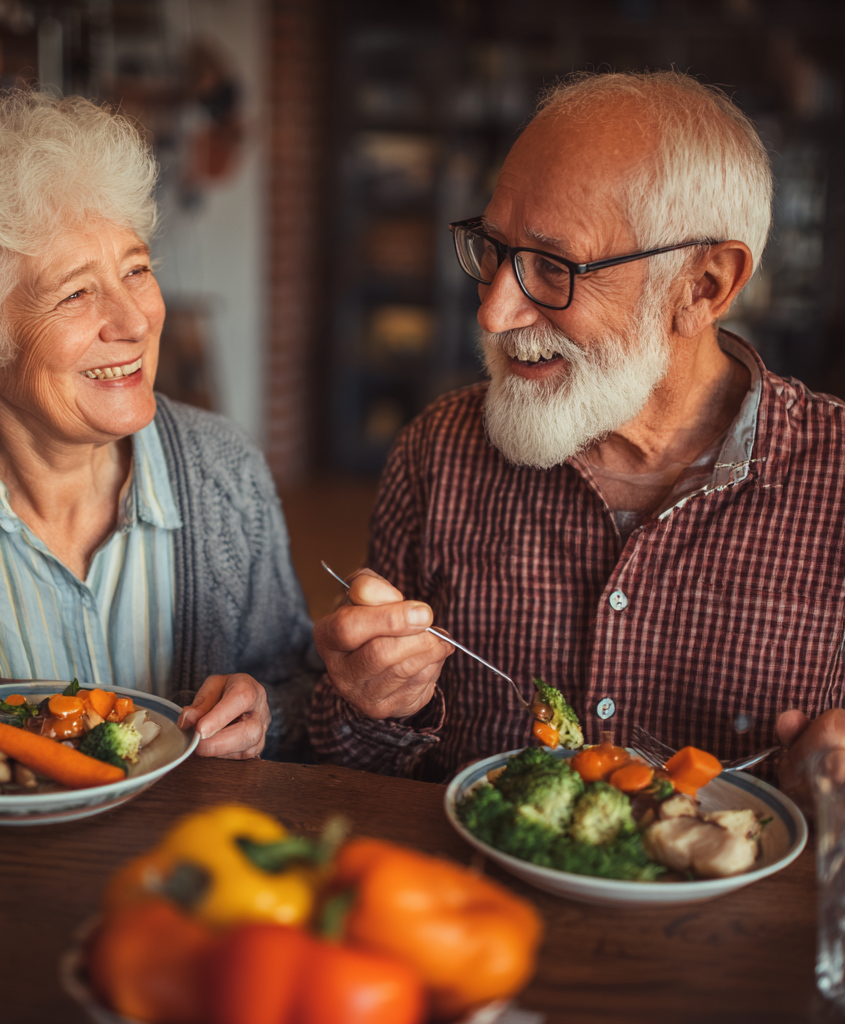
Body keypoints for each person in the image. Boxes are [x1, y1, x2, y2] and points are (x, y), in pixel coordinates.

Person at [309, 70, 845, 803]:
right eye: (494, 251)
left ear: (704, 286)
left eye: (555, 268)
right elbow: (349, 775)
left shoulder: (835, 481)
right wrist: (367, 702)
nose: (494, 313)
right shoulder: (438, 451)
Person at [0, 90, 316, 760]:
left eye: (136, 270)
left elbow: (299, 693)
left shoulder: (224, 466)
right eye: (77, 293)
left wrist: (266, 716)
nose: (134, 321)